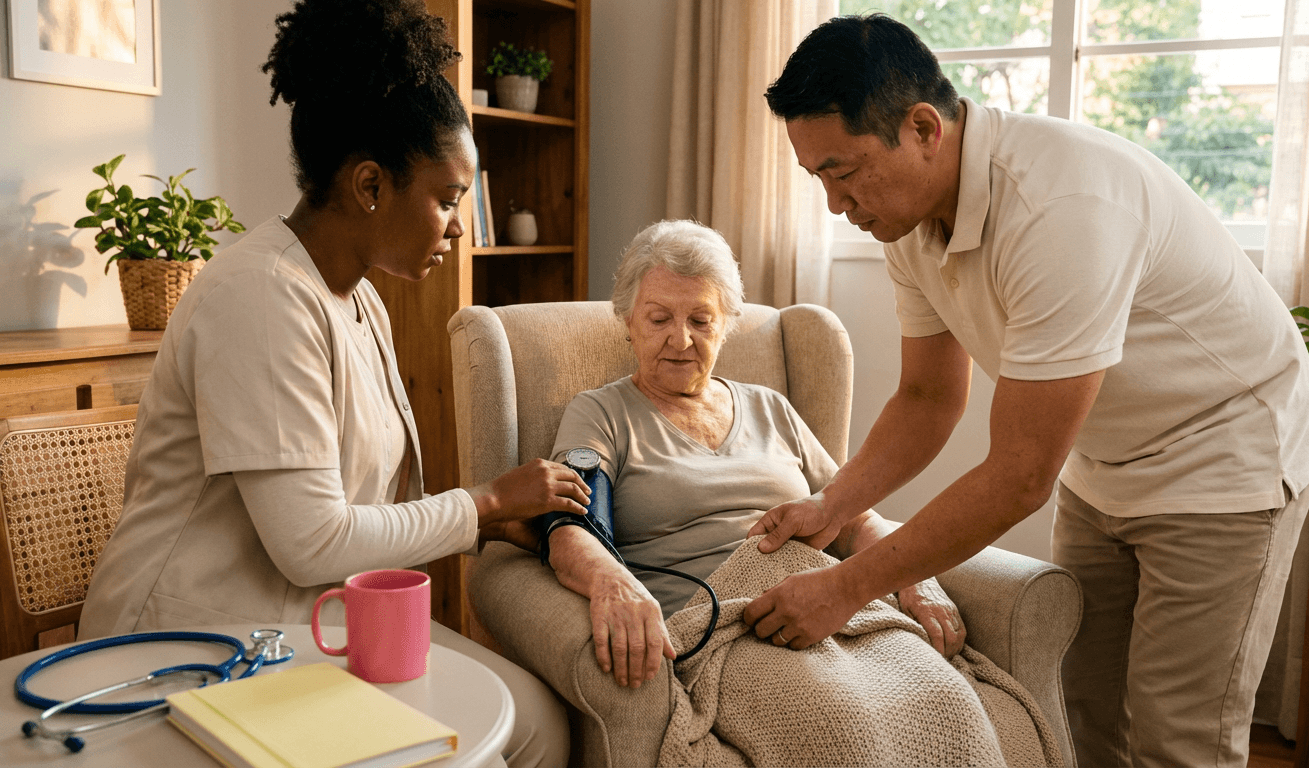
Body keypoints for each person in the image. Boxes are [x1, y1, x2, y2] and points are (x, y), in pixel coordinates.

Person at [739, 14, 1309, 768]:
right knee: (1082, 711)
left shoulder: (1062, 206)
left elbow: (1020, 473)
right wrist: (835, 504)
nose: (834, 205)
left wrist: (847, 587)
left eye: (843, 172)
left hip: (1224, 454)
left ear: (923, 128)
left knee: (1177, 738)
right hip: (1104, 461)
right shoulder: (909, 220)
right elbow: (926, 397)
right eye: (817, 176)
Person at [80, 3, 582, 766]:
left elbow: (358, 514)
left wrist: (480, 522)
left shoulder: (359, 299)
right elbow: (314, 542)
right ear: (371, 184)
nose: (461, 228)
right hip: (185, 644)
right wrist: (482, 502)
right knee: (514, 732)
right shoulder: (260, 296)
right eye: (448, 199)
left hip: (299, 626)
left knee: (535, 719)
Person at [543, 219, 966, 690]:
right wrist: (610, 580)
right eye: (659, 318)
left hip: (822, 608)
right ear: (628, 322)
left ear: (726, 325)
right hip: (722, 629)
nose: (681, 340)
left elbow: (852, 516)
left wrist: (914, 578)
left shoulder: (770, 407)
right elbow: (571, 529)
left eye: (701, 321)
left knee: (937, 693)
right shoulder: (601, 413)